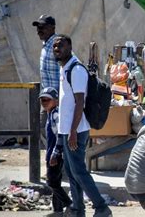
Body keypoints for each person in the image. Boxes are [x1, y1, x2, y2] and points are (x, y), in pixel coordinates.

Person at [53, 34, 112, 217]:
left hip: (76, 130)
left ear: (70, 47)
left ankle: (102, 208)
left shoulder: (76, 70)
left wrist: (72, 132)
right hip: (67, 130)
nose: (57, 49)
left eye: (60, 46)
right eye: (55, 47)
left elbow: (80, 102)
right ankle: (78, 209)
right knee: (71, 172)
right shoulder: (65, 68)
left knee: (79, 171)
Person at [39, 87, 73, 216]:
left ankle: (69, 204)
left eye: (48, 99)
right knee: (56, 182)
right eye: (42, 99)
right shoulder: (50, 113)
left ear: (56, 101)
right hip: (52, 154)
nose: (44, 101)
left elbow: (60, 134)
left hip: (56, 154)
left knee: (52, 182)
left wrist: (55, 154)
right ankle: (58, 210)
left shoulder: (55, 114)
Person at [33, 14, 59, 147]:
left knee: (52, 129)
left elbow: (67, 70)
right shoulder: (46, 44)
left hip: (57, 98)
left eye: (42, 27)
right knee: (44, 127)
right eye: (38, 27)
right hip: (48, 98)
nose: (39, 30)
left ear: (52, 28)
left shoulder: (57, 45)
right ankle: (53, 157)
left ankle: (57, 158)